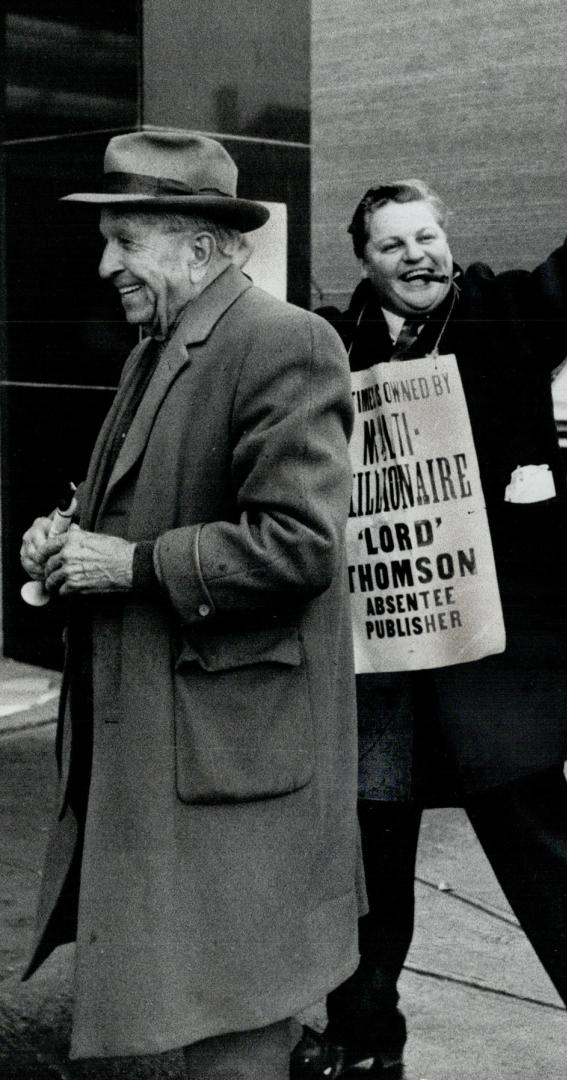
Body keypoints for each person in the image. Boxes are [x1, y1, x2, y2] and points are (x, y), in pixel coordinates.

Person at [291, 47, 567, 1080]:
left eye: (429, 235)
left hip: (492, 646)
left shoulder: (506, 315)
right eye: (394, 244)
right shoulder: (329, 352)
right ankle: (362, 1034)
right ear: (362, 262)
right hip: (379, 650)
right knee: (369, 844)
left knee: (538, 838)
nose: (419, 254)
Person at [18, 131, 361, 1079]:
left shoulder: (284, 342)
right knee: (206, 1006)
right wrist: (67, 539)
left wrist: (127, 564)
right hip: (183, 753)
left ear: (200, 248)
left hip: (230, 761)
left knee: (238, 1022)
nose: (105, 265)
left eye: (125, 241)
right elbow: (144, 506)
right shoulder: (158, 350)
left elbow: (297, 545)